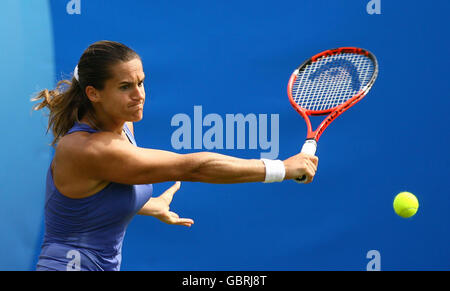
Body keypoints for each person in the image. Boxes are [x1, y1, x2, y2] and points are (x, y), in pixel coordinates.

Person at [32, 40, 318, 271]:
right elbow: (193, 167)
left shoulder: (122, 124)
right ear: (94, 93)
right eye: (125, 87)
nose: (139, 94)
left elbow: (90, 200)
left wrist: (149, 204)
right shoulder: (89, 149)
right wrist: (281, 168)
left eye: (140, 82)